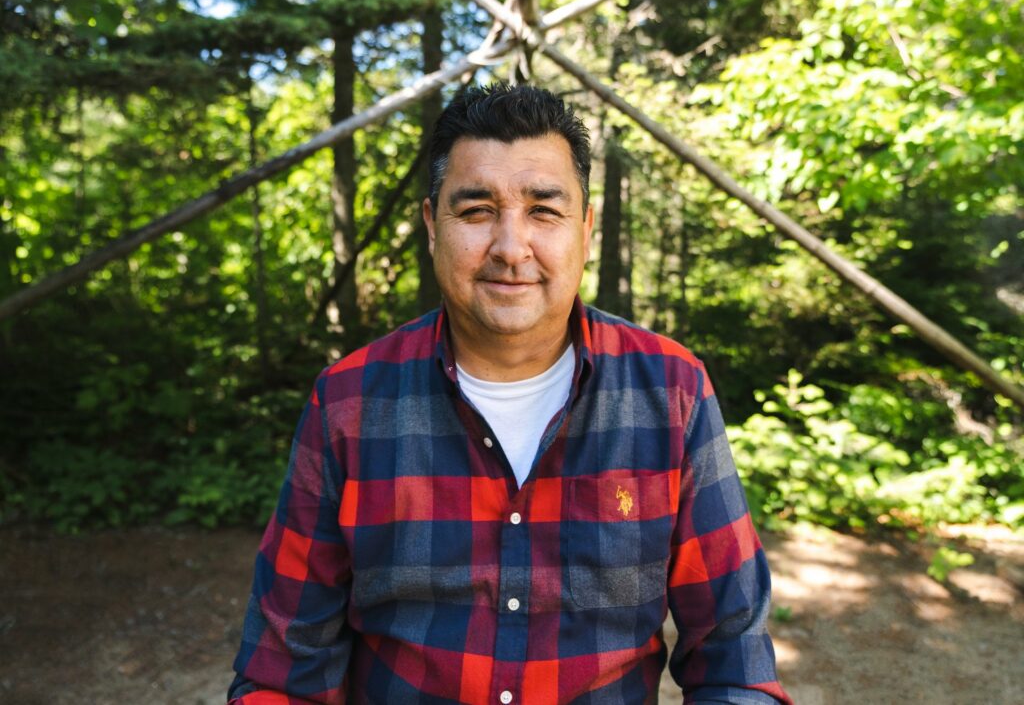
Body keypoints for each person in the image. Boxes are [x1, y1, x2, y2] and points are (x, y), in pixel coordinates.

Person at [228, 83, 791, 704]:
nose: (510, 247)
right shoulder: (349, 403)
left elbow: (733, 658)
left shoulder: (671, 390)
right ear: (432, 225)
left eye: (543, 211)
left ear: (585, 227)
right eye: (475, 211)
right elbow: (285, 671)